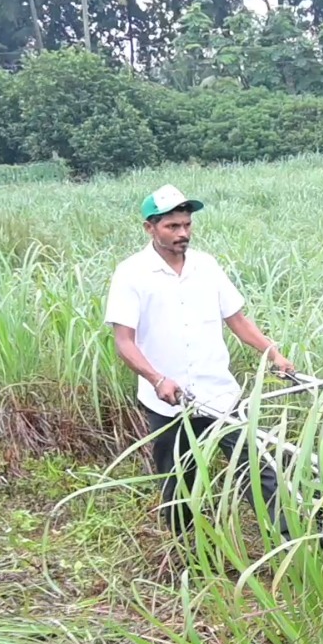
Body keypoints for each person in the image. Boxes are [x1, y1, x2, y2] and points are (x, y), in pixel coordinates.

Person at [104, 184, 293, 539]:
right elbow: (124, 342)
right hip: (168, 403)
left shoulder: (206, 266)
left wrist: (274, 353)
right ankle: (188, 554)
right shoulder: (131, 274)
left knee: (256, 468)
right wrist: (157, 379)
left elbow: (237, 321)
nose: (182, 234)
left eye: (187, 225)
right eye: (172, 227)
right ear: (150, 227)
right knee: (178, 482)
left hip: (218, 394)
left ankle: (292, 540)